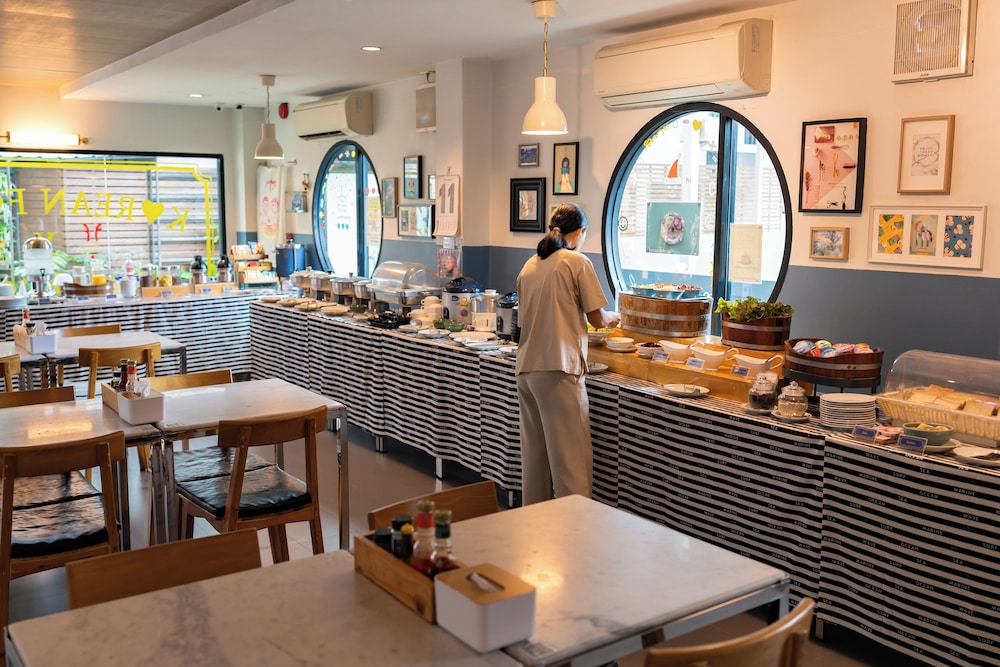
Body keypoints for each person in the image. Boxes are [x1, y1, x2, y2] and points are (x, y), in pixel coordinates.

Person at [515, 203, 620, 505]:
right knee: (571, 465)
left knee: (535, 463)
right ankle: (576, 529)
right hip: (558, 370)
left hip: (526, 370)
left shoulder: (529, 265)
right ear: (580, 232)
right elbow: (597, 318)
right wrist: (616, 317)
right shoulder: (576, 262)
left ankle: (532, 527)